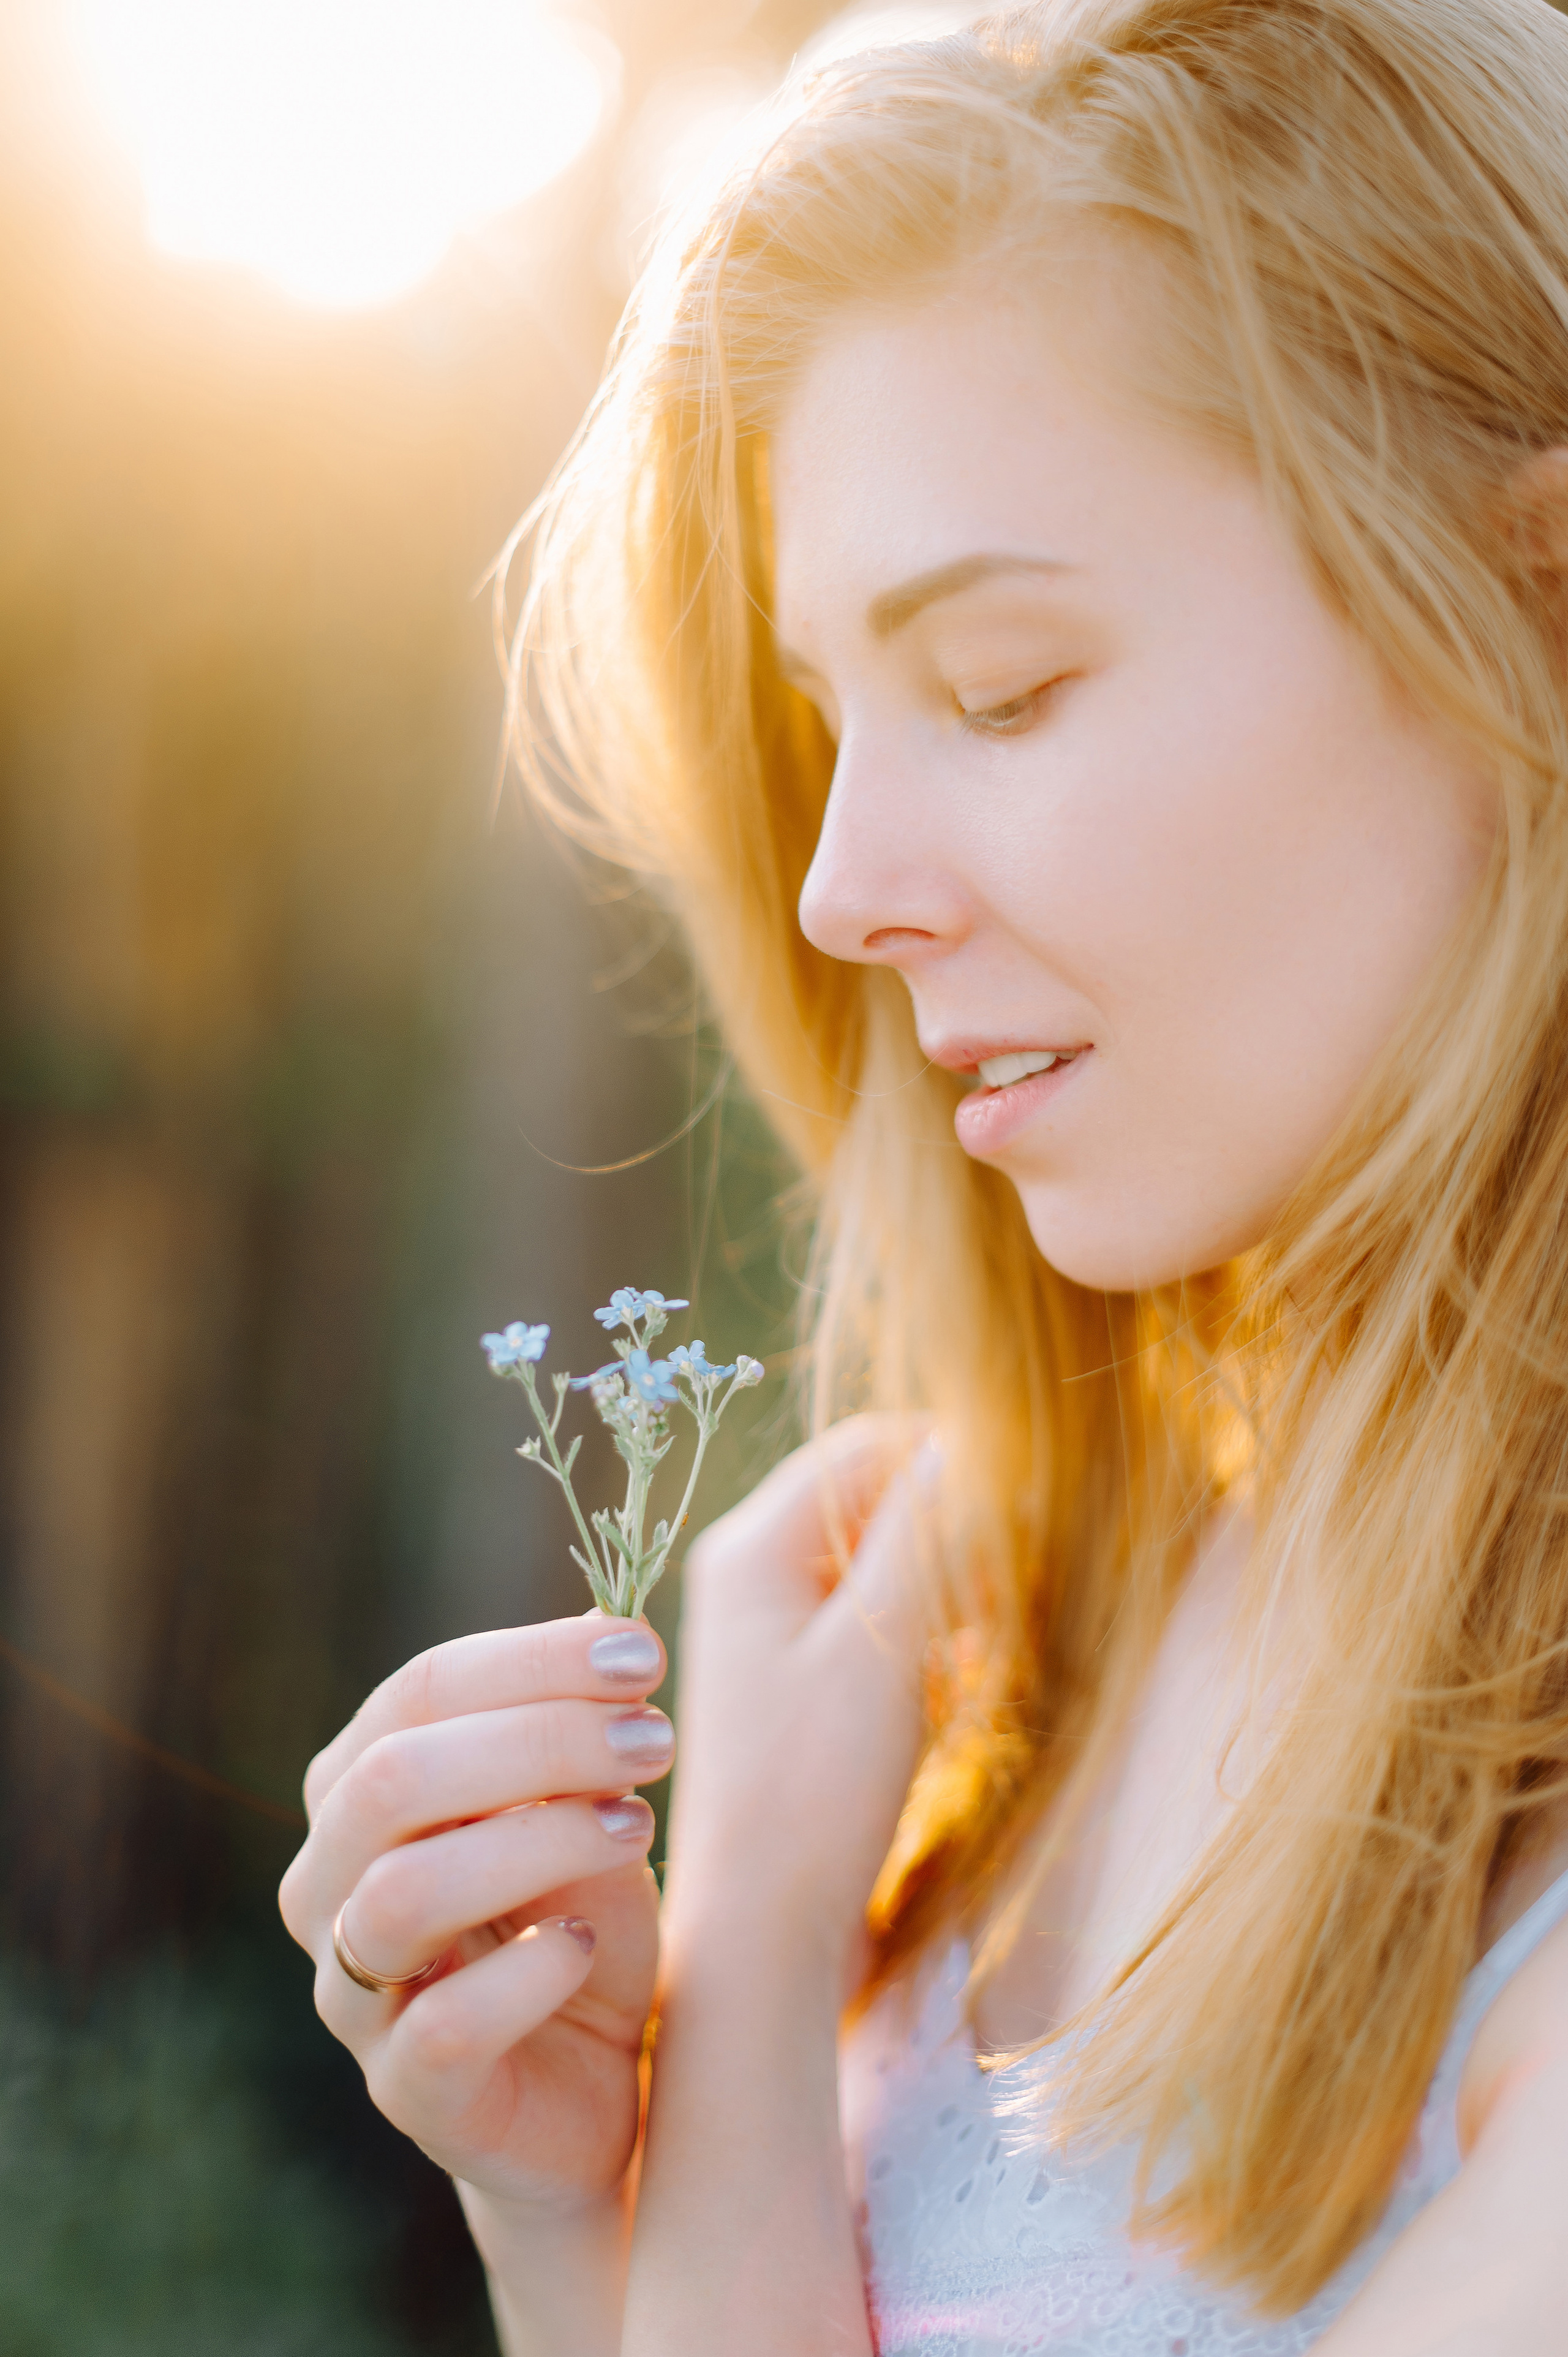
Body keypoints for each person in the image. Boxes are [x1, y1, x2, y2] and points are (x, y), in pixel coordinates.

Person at [279, 2, 1568, 2349]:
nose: (838, 890)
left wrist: (762, 1981)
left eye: (996, 688)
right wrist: (609, 2188)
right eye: (823, 730)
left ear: (1535, 617)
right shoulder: (1004, 1661)